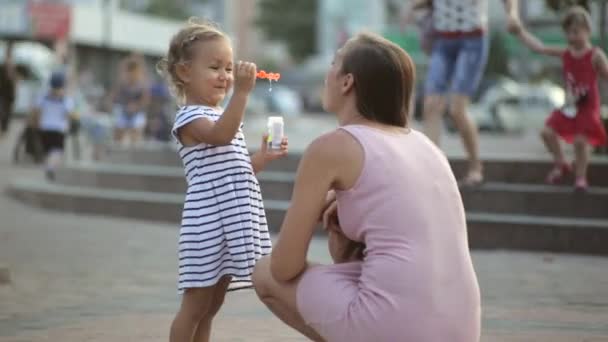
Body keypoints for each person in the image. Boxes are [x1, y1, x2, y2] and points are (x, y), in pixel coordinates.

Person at [252, 32, 481, 342]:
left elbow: (284, 268)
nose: (327, 75)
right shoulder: (425, 145)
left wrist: (316, 207)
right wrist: (343, 217)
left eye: (334, 63)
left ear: (347, 82)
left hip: (394, 326)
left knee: (263, 273)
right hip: (461, 328)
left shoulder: (331, 148)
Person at [157, 19, 288, 342]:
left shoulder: (220, 116)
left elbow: (235, 171)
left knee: (212, 304)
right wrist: (242, 93)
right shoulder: (190, 117)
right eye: (215, 67)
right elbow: (220, 136)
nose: (226, 77)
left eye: (229, 69)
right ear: (185, 73)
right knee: (195, 305)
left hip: (229, 220)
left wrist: (262, 157)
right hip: (208, 224)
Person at [401, 0, 521, 186]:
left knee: (457, 110)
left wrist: (512, 15)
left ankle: (475, 167)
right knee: (430, 105)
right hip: (442, 40)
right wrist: (410, 10)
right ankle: (432, 170)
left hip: (472, 40)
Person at [510, 6, 607, 191]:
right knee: (547, 132)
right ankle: (561, 163)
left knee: (581, 141)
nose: (572, 37)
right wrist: (520, 32)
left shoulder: (595, 55)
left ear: (587, 30)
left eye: (576, 32)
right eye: (569, 33)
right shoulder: (566, 53)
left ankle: (580, 176)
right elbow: (540, 47)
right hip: (570, 105)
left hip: (588, 106)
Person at [31, 72, 76, 180]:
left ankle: (49, 167)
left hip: (44, 128)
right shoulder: (66, 99)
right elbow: (69, 115)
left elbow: (36, 112)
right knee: (57, 151)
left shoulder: (43, 97)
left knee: (48, 151)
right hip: (58, 129)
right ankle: (50, 168)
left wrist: (36, 124)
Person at [108, 55, 150, 145]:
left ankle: (135, 150)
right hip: (124, 111)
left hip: (137, 113)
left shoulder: (142, 84)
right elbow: (113, 96)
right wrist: (112, 104)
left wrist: (136, 106)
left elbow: (145, 100)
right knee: (119, 129)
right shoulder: (122, 82)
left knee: (136, 129)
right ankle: (117, 149)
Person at [0, 40, 17, 138]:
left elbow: (13, 81)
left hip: (10, 94)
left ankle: (5, 129)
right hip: (3, 92)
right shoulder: (3, 67)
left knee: (8, 111)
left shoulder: (12, 67)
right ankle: (3, 128)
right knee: (3, 111)